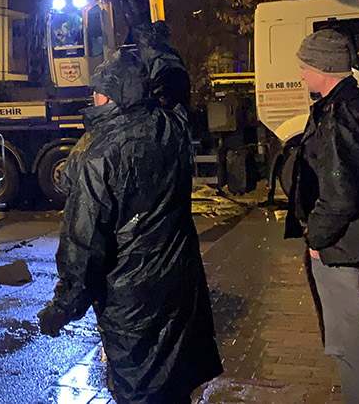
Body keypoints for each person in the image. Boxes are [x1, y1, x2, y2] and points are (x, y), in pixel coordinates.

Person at [37, 51, 222, 403]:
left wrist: (63, 306)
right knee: (175, 381)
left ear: (109, 96)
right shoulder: (172, 129)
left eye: (97, 90)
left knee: (139, 385)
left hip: (129, 300)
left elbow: (85, 242)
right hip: (179, 285)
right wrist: (158, 46)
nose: (93, 97)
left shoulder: (98, 154)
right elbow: (177, 86)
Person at [284, 29, 359, 403]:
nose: (302, 75)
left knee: (350, 338)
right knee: (351, 334)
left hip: (344, 240)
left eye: (305, 66)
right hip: (354, 234)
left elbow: (341, 193)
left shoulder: (340, 113)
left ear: (324, 68)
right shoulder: (357, 104)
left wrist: (317, 238)